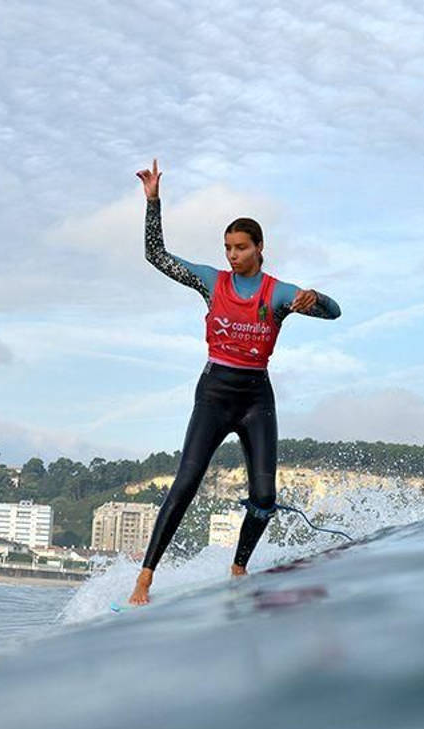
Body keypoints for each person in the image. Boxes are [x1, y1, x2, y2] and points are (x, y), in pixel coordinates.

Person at [127, 159, 341, 606]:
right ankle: (144, 579)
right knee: (186, 482)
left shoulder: (278, 293)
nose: (232, 255)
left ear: (260, 248)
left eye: (241, 247)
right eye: (227, 247)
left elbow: (333, 312)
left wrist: (315, 298)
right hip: (214, 394)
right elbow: (156, 257)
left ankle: (239, 568)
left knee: (264, 497)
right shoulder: (212, 282)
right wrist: (153, 202)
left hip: (256, 398)